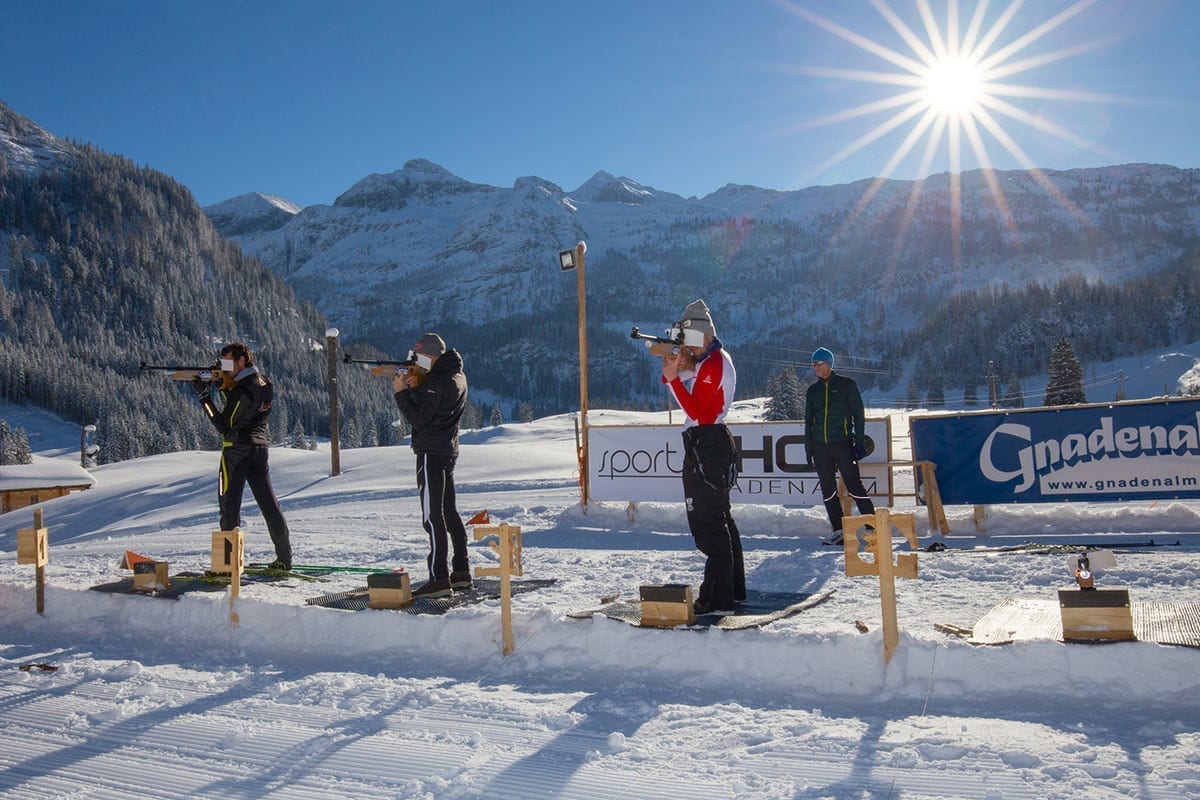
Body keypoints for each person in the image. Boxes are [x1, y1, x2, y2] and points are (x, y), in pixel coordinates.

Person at [660, 299, 745, 614]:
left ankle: (718, 597)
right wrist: (675, 368)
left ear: (704, 335)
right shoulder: (707, 360)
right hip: (706, 442)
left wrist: (674, 378)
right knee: (720, 518)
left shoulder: (714, 363)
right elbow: (672, 381)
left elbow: (697, 410)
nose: (689, 347)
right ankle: (732, 590)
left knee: (709, 522)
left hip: (707, 442)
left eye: (690, 341)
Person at [193, 342, 293, 570]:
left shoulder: (242, 390)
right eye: (222, 364)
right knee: (269, 505)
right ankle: (285, 559)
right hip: (260, 448)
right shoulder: (265, 382)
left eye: (229, 363)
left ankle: (227, 566)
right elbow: (248, 405)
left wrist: (204, 397)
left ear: (242, 361)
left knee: (229, 508)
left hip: (236, 450)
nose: (225, 368)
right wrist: (225, 387)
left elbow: (223, 425)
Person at [393, 332, 470, 598]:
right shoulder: (454, 375)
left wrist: (402, 392)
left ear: (430, 356)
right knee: (449, 512)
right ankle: (461, 572)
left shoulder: (436, 381)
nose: (415, 361)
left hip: (431, 452)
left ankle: (439, 578)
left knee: (431, 515)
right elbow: (434, 407)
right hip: (447, 449)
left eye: (418, 357)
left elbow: (419, 418)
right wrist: (417, 387)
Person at [804, 346, 875, 545]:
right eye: (813, 364)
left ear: (829, 363)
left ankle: (873, 529)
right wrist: (808, 448)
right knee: (828, 491)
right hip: (820, 447)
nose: (816, 367)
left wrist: (859, 442)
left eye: (819, 363)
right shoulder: (813, 391)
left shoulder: (846, 385)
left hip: (843, 444)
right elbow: (808, 422)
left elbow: (858, 415)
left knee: (854, 487)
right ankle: (838, 531)